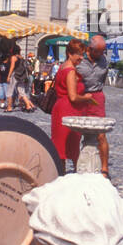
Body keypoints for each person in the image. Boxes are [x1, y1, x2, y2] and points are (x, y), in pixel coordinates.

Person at [50, 38, 99, 166]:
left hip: (60, 108)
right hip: (68, 110)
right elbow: (73, 97)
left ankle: (60, 175)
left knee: (61, 147)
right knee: (71, 148)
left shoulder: (62, 67)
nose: (81, 58)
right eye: (79, 54)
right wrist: (87, 98)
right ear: (70, 54)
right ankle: (76, 175)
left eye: (82, 54)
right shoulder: (71, 71)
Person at [74, 34, 111, 176]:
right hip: (81, 97)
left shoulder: (104, 61)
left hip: (97, 98)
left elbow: (104, 77)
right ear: (90, 49)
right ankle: (79, 164)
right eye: (98, 52)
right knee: (77, 133)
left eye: (103, 51)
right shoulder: (80, 60)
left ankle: (105, 168)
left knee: (101, 134)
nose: (101, 54)